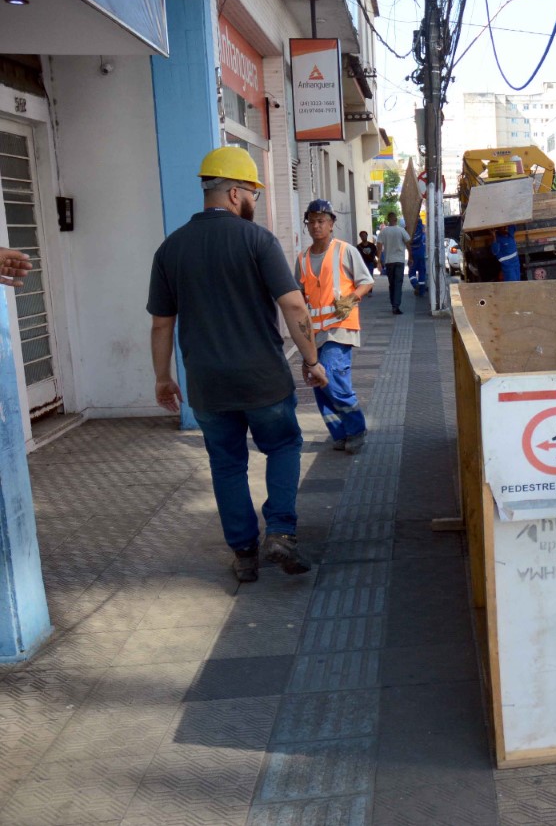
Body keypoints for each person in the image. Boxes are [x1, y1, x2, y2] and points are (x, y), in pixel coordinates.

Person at [147, 146, 326, 583]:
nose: (254, 203)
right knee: (283, 446)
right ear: (233, 194)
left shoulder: (169, 250)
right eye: (253, 194)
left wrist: (163, 378)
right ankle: (281, 532)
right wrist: (312, 360)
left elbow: (161, 325)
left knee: (226, 464)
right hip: (262, 377)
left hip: (208, 385)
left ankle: (244, 554)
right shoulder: (257, 241)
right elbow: (294, 306)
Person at [296, 199, 375, 452]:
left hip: (340, 329)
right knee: (320, 386)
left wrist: (352, 298)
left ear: (331, 224)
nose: (316, 226)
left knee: (330, 375)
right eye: (312, 221)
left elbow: (366, 282)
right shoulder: (303, 259)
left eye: (322, 221)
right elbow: (297, 300)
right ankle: (339, 433)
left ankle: (356, 429)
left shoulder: (345, 250)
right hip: (315, 333)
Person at [376, 211, 411, 314]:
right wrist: (410, 257)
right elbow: (408, 243)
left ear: (388, 220)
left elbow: (379, 246)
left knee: (392, 284)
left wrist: (379, 261)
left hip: (389, 261)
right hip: (399, 261)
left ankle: (393, 304)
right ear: (396, 220)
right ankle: (395, 306)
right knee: (398, 284)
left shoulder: (384, 232)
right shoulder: (401, 231)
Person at [408, 221, 427, 297]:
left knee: (411, 273)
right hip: (421, 253)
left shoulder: (410, 229)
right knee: (422, 272)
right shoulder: (422, 231)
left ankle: (415, 284)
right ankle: (421, 292)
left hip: (413, 253)